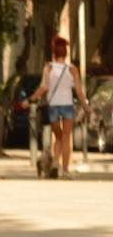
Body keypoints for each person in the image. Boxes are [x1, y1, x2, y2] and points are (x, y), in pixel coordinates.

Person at [28, 35, 91, 179]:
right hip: (67, 106)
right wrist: (85, 106)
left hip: (53, 107)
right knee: (66, 137)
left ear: (54, 53)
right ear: (66, 53)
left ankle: (56, 163)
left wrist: (31, 99)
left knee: (58, 136)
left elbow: (44, 87)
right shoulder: (72, 69)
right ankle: (65, 169)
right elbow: (79, 91)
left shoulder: (48, 68)